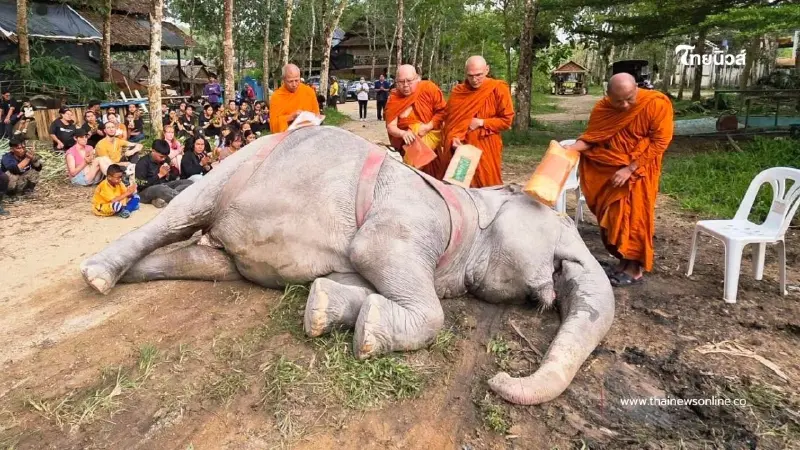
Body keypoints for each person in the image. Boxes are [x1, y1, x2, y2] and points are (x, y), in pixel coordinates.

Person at [563, 73, 674, 287]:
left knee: (635, 218)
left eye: (629, 98)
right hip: (611, 174)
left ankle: (635, 269)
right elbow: (594, 139)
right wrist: (571, 148)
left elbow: (660, 142)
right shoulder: (603, 109)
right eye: (618, 101)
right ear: (608, 95)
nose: (624, 105)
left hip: (638, 173)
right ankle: (623, 262)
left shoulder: (655, 103)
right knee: (614, 220)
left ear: (636, 90)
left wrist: (630, 169)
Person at [442, 55, 515, 187]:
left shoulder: (497, 88)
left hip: (486, 149)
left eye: (479, 75)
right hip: (463, 150)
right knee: (461, 187)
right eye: (470, 75)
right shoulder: (459, 92)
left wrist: (481, 122)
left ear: (487, 70)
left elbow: (506, 121)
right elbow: (450, 123)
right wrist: (453, 138)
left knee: (488, 187)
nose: (474, 80)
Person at [384, 65, 447, 178]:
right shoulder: (393, 99)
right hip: (409, 148)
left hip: (432, 148)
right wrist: (403, 133)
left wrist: (428, 126)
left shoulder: (428, 88)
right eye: (401, 82)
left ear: (417, 78)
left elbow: (443, 112)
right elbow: (391, 126)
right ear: (396, 82)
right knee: (412, 180)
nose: (406, 85)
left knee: (435, 180)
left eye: (409, 81)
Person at [134, 139, 193, 208]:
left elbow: (174, 176)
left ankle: (160, 198)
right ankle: (184, 201)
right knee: (161, 188)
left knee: (189, 182)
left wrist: (168, 175)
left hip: (164, 186)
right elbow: (141, 184)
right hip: (145, 191)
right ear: (153, 151)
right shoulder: (142, 163)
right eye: (161, 156)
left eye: (165, 156)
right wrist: (159, 175)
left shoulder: (166, 159)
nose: (163, 159)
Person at [269, 64, 320, 133]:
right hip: (288, 137)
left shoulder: (308, 91)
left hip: (309, 134)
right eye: (290, 81)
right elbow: (273, 125)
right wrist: (291, 117)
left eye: (297, 80)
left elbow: (317, 115)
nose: (294, 85)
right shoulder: (276, 97)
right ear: (283, 80)